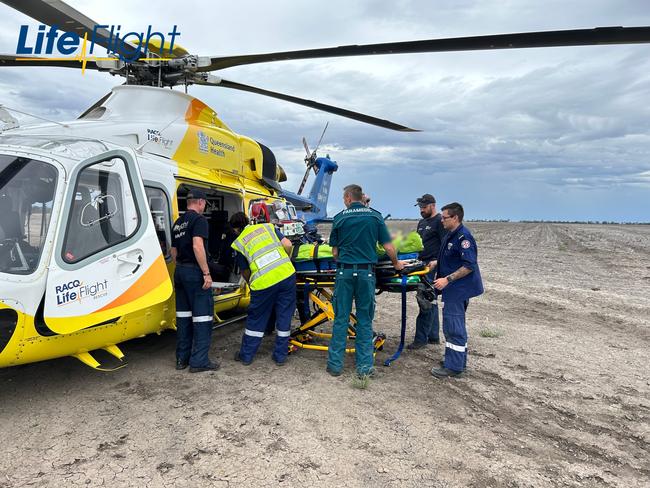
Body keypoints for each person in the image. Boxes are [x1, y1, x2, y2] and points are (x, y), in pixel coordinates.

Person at [327, 184, 405, 378]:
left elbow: (334, 252)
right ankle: (364, 368)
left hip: (344, 274)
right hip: (366, 274)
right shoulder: (375, 217)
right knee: (364, 321)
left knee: (341, 319)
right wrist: (396, 264)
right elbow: (388, 247)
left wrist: (345, 261)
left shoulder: (339, 218)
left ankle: (335, 366)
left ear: (347, 198)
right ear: (361, 197)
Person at [231, 203, 296, 366]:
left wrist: (251, 282)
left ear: (235, 229)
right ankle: (280, 356)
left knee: (256, 320)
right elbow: (288, 244)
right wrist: (284, 261)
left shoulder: (239, 242)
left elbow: (245, 272)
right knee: (284, 316)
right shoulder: (268, 227)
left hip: (264, 283)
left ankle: (246, 356)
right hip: (287, 275)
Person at [431, 202, 484, 378]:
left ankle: (453, 368)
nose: (442, 221)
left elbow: (469, 266)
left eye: (444, 217)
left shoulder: (464, 237)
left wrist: (447, 279)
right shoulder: (451, 234)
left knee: (454, 327)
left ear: (455, 218)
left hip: (458, 290)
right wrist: (436, 262)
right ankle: (455, 360)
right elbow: (451, 256)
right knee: (453, 326)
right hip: (453, 289)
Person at [170, 189, 219, 373]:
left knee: (183, 317)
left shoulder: (178, 223)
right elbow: (197, 246)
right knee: (202, 317)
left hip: (180, 271)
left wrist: (181, 267)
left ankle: (181, 359)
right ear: (200, 202)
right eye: (204, 203)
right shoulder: (199, 220)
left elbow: (173, 251)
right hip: (194, 272)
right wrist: (206, 273)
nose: (204, 206)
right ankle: (199, 361)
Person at [407, 193, 447, 350]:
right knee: (431, 300)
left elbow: (445, 246)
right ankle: (433, 336)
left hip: (433, 266)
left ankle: (420, 339)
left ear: (433, 205)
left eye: (424, 207)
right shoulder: (422, 222)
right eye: (420, 207)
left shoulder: (439, 222)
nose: (422, 210)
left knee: (425, 300)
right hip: (421, 264)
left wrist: (437, 263)